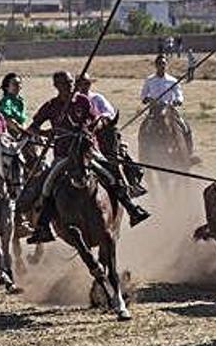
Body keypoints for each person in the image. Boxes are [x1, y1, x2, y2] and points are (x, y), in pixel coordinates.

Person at [27, 71, 150, 244]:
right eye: (65, 83)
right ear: (56, 86)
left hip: (87, 151)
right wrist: (47, 132)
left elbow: (96, 120)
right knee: (47, 185)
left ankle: (132, 209)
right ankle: (43, 227)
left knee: (110, 172)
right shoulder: (51, 106)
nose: (70, 86)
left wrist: (89, 128)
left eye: (71, 82)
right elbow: (31, 128)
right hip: (64, 155)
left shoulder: (83, 101)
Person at [77, 73, 146, 198]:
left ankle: (132, 182)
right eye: (81, 83)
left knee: (118, 153)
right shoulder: (73, 100)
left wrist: (100, 120)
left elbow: (109, 113)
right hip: (82, 136)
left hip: (102, 133)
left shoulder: (97, 98)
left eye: (86, 83)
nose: (84, 86)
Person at [140, 54, 200, 163]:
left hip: (170, 109)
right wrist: (148, 99)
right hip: (154, 110)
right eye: (159, 64)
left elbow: (179, 94)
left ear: (166, 65)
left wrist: (178, 100)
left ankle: (189, 153)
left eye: (163, 63)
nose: (161, 66)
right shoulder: (149, 80)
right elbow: (143, 95)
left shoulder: (172, 80)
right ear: (156, 65)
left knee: (185, 126)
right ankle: (144, 156)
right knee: (144, 129)